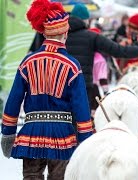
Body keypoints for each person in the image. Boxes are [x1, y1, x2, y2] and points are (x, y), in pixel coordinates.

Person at [1, 0, 93, 179]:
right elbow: (81, 107)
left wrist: (8, 133)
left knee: (31, 177)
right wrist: (86, 140)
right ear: (65, 33)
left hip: (31, 133)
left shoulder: (27, 62)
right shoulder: (72, 66)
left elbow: (13, 101)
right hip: (62, 136)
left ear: (44, 33)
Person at [66, 3, 138, 115]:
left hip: (60, 86)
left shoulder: (60, 35)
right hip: (82, 86)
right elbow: (118, 50)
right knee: (81, 121)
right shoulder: (91, 37)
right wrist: (137, 48)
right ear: (86, 20)